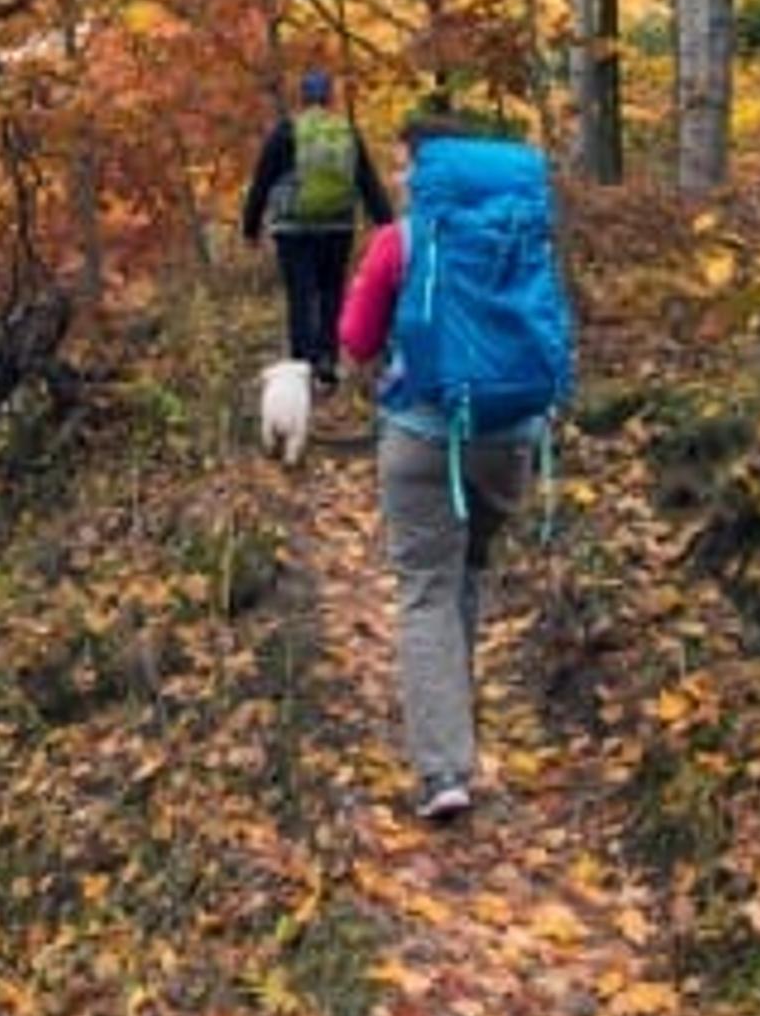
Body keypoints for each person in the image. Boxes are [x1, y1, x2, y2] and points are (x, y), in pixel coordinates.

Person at [337, 111, 568, 822]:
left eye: (405, 163)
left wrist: (365, 361)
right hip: (510, 440)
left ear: (427, 168)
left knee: (425, 592)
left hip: (422, 438)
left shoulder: (397, 243)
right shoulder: (519, 236)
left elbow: (355, 339)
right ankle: (456, 725)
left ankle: (443, 769)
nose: (401, 176)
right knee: (464, 574)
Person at [238, 67, 390, 388]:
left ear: (303, 97)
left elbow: (262, 181)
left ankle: (301, 367)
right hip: (338, 226)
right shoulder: (346, 131)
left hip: (294, 229)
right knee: (332, 292)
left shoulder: (285, 131)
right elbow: (368, 180)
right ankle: (328, 363)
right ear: (330, 97)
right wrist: (386, 224)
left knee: (300, 295)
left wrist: (250, 228)